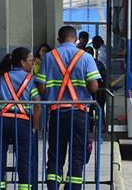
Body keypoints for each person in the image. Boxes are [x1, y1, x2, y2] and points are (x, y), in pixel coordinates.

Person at [35, 26, 101, 190]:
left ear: (59, 39)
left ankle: (52, 186)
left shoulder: (49, 57)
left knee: (56, 154)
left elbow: (41, 88)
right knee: (77, 154)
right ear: (76, 38)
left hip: (57, 113)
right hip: (79, 114)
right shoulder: (86, 57)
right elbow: (93, 87)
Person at [0, 47, 41, 190]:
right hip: (23, 123)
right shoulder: (31, 80)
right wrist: (35, 127)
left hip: (1, 120)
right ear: (22, 62)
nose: (33, 64)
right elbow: (38, 105)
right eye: (31, 61)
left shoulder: (0, 77)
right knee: (24, 159)